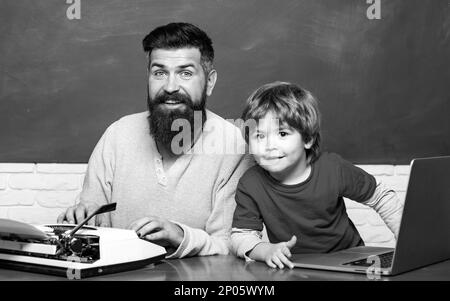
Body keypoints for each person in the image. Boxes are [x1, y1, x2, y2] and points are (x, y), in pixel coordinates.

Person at [58, 22, 251, 258]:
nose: (170, 86)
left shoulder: (234, 146)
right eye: (159, 72)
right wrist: (81, 219)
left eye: (185, 73)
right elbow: (93, 222)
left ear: (209, 82)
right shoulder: (117, 135)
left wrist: (180, 235)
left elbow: (233, 244)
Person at [230, 81, 404, 269]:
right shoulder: (250, 183)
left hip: (349, 261)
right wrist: (265, 250)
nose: (269, 145)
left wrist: (405, 240)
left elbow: (381, 197)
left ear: (307, 139)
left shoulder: (332, 168)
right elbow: (241, 235)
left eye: (282, 133)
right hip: (295, 267)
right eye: (259, 136)